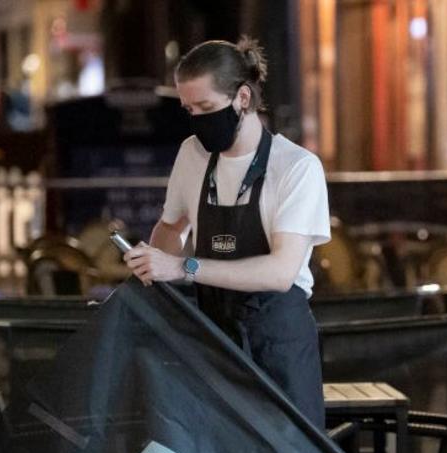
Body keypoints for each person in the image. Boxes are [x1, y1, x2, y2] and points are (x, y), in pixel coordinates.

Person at [124, 37, 330, 429]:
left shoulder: (297, 167)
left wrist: (182, 267)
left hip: (278, 344)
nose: (198, 120)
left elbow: (280, 272)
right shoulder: (192, 154)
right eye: (189, 110)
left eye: (206, 108)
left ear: (242, 98)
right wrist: (154, 260)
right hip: (213, 338)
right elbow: (171, 227)